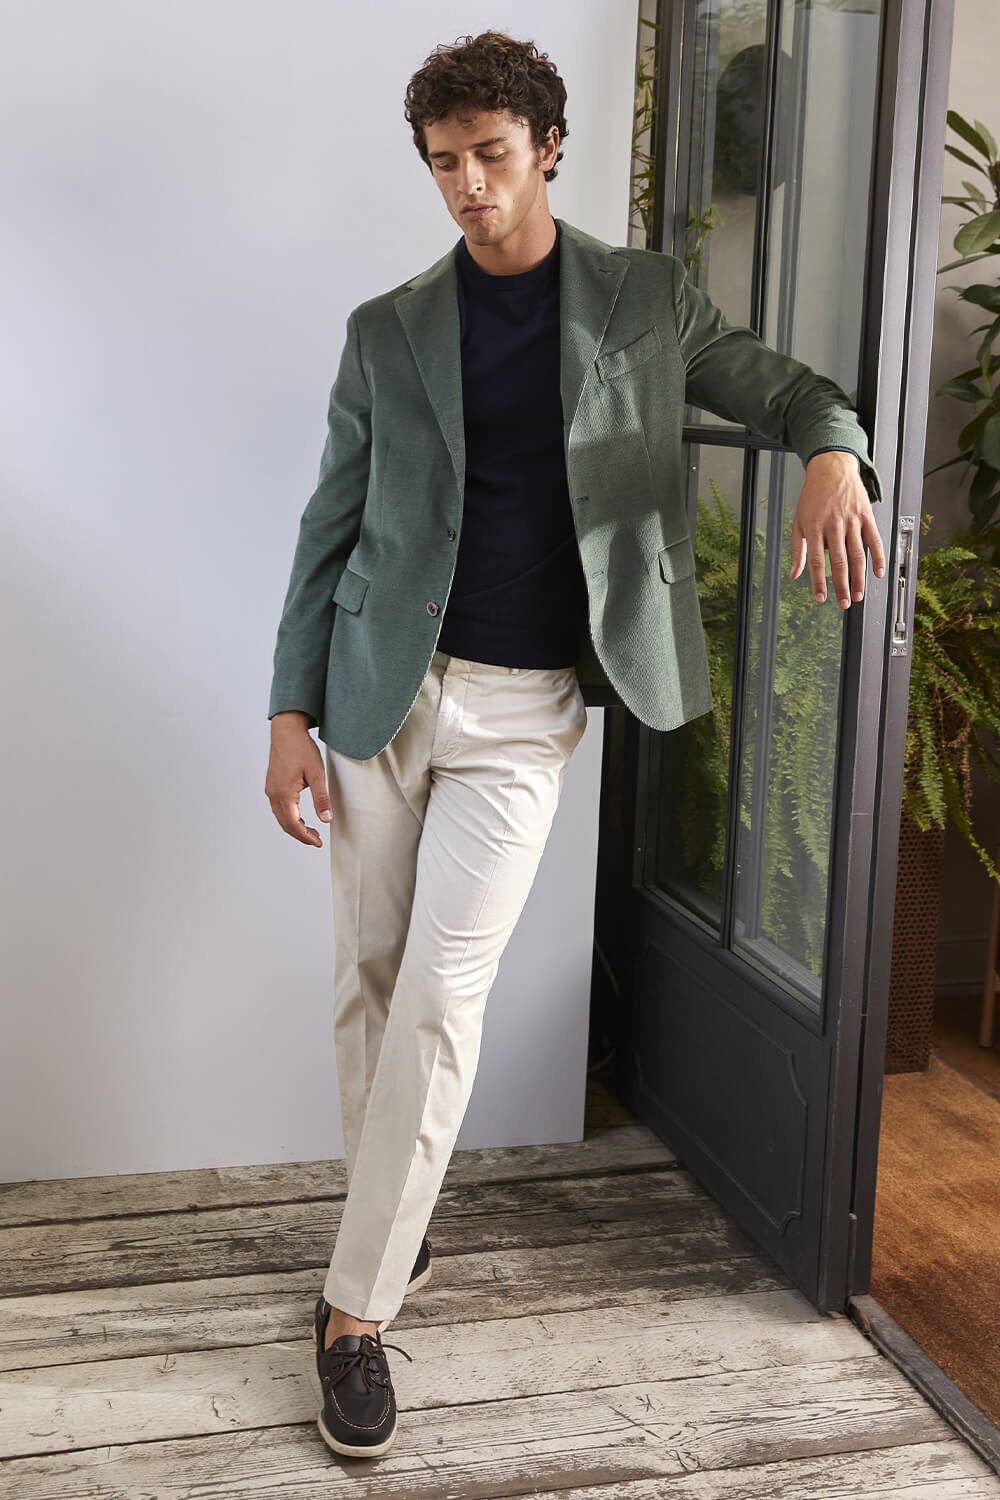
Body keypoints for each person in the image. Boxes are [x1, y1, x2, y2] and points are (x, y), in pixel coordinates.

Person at [264, 30, 886, 1460]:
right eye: (443, 163)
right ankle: (396, 1226)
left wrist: (835, 457)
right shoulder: (385, 330)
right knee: (368, 985)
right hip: (376, 695)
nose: (468, 186)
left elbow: (792, 391)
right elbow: (327, 528)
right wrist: (288, 713)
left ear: (547, 147)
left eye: (491, 155)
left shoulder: (646, 302)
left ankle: (354, 1314)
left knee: (441, 1000)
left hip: (523, 709)